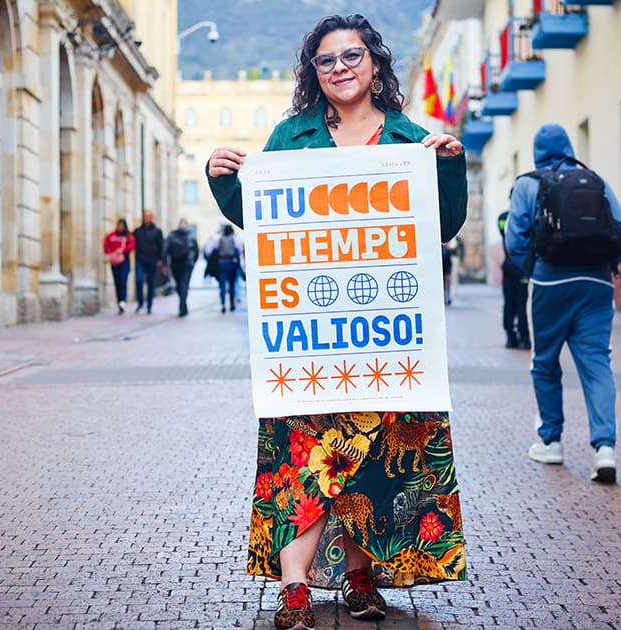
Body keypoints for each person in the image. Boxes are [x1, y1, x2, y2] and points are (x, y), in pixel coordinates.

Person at [205, 14, 468, 630]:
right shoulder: (290, 138)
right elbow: (267, 223)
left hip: (386, 335)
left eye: (353, 55)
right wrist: (224, 183)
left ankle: (358, 579)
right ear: (313, 73)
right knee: (302, 465)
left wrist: (450, 167)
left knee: (372, 465)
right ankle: (294, 591)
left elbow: (441, 227)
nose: (341, 67)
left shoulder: (411, 141)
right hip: (310, 341)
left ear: (376, 64)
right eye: (326, 60)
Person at [505, 123, 621, 483]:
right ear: (568, 146)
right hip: (596, 283)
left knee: (545, 361)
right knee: (596, 363)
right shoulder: (595, 180)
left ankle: (551, 442)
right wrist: (606, 266)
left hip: (550, 281)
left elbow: (516, 240)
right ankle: (605, 448)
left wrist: (534, 270)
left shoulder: (528, 183)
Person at [497, 211, 530, 349]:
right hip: (522, 266)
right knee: (523, 303)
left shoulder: (502, 218)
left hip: (508, 265)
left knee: (509, 302)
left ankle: (510, 336)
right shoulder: (525, 217)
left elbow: (504, 234)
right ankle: (524, 337)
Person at [204, 224, 244, 313]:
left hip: (221, 264)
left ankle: (223, 305)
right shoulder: (235, 239)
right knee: (232, 285)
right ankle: (232, 303)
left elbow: (208, 251)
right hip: (232, 264)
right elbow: (241, 250)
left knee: (222, 285)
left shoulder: (217, 238)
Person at [132, 210, 164, 315]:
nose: (146, 218)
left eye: (148, 216)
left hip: (152, 260)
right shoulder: (137, 231)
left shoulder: (157, 231)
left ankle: (149, 305)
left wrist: (160, 259)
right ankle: (140, 303)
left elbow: (161, 246)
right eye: (145, 216)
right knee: (139, 280)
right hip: (140, 260)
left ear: (151, 218)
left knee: (151, 283)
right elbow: (131, 241)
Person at [165, 219, 199, 317]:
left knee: (180, 286)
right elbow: (196, 251)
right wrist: (193, 262)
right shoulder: (191, 235)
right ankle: (183, 306)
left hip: (177, 264)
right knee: (184, 285)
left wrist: (165, 262)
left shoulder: (172, 235)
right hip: (187, 264)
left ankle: (182, 306)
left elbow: (166, 249)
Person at [103, 219, 135, 314]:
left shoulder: (128, 236)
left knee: (123, 280)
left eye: (122, 225)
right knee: (117, 281)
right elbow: (105, 245)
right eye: (119, 225)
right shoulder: (111, 235)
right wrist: (112, 251)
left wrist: (123, 249)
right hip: (115, 261)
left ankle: (123, 301)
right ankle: (119, 302)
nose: (120, 227)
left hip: (125, 260)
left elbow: (132, 245)